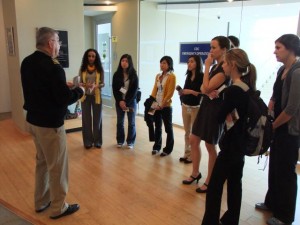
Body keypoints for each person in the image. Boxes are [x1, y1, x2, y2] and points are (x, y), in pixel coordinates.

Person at [20, 27, 84, 219]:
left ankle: (41, 201)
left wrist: (61, 87)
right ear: (50, 43)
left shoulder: (27, 62)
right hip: (50, 125)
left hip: (33, 121)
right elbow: (62, 99)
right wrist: (79, 91)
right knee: (57, 166)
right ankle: (58, 207)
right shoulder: (53, 66)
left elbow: (40, 88)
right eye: (58, 41)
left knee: (42, 162)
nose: (59, 45)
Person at [201, 48, 257, 225]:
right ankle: (232, 219)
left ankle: (210, 221)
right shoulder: (247, 88)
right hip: (240, 144)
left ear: (232, 65)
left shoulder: (232, 91)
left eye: (225, 62)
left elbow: (219, 118)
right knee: (235, 184)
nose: (222, 65)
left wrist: (220, 101)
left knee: (215, 187)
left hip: (230, 146)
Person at [255, 34, 300, 225]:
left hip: (289, 130)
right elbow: (275, 95)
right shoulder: (282, 68)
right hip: (278, 127)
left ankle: (285, 216)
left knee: (286, 172)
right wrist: (269, 110)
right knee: (274, 166)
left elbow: (291, 109)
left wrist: (271, 126)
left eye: (278, 47)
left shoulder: (297, 72)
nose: (274, 51)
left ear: (290, 48)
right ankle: (271, 202)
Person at [182, 36, 230, 193]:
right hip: (206, 106)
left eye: (214, 47)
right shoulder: (217, 67)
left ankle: (210, 180)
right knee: (193, 139)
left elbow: (206, 87)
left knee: (210, 145)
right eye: (210, 47)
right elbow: (205, 89)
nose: (211, 50)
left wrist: (207, 65)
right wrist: (207, 85)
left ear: (223, 49)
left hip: (215, 110)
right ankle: (195, 173)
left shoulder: (224, 68)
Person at [177, 55, 203, 164]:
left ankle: (193, 155)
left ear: (197, 63)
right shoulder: (188, 76)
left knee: (194, 134)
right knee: (187, 132)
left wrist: (191, 92)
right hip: (185, 106)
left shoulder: (202, 76)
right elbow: (185, 91)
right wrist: (181, 92)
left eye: (192, 61)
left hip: (195, 107)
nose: (189, 63)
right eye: (188, 62)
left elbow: (202, 94)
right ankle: (187, 154)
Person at [150, 56, 176, 157]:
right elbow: (154, 90)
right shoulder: (158, 76)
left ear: (169, 64)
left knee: (168, 128)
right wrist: (151, 101)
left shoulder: (172, 76)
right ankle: (157, 147)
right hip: (156, 104)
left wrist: (162, 104)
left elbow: (170, 93)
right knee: (157, 127)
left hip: (166, 106)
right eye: (161, 63)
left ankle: (168, 149)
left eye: (164, 63)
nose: (162, 65)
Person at [79, 49, 104, 149]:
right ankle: (88, 142)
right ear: (86, 57)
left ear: (96, 57)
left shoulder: (100, 69)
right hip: (85, 97)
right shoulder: (82, 69)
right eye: (89, 56)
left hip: (96, 96)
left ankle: (97, 141)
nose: (91, 58)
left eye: (93, 56)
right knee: (86, 120)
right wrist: (86, 85)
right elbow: (79, 82)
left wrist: (97, 85)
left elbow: (103, 83)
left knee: (97, 120)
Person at [112, 54, 139, 149]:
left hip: (130, 102)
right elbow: (115, 89)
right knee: (120, 122)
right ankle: (120, 140)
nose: (124, 63)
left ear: (129, 63)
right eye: (122, 60)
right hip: (119, 101)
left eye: (126, 61)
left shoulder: (134, 75)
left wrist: (126, 102)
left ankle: (130, 141)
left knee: (131, 122)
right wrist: (120, 101)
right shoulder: (116, 74)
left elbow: (134, 91)